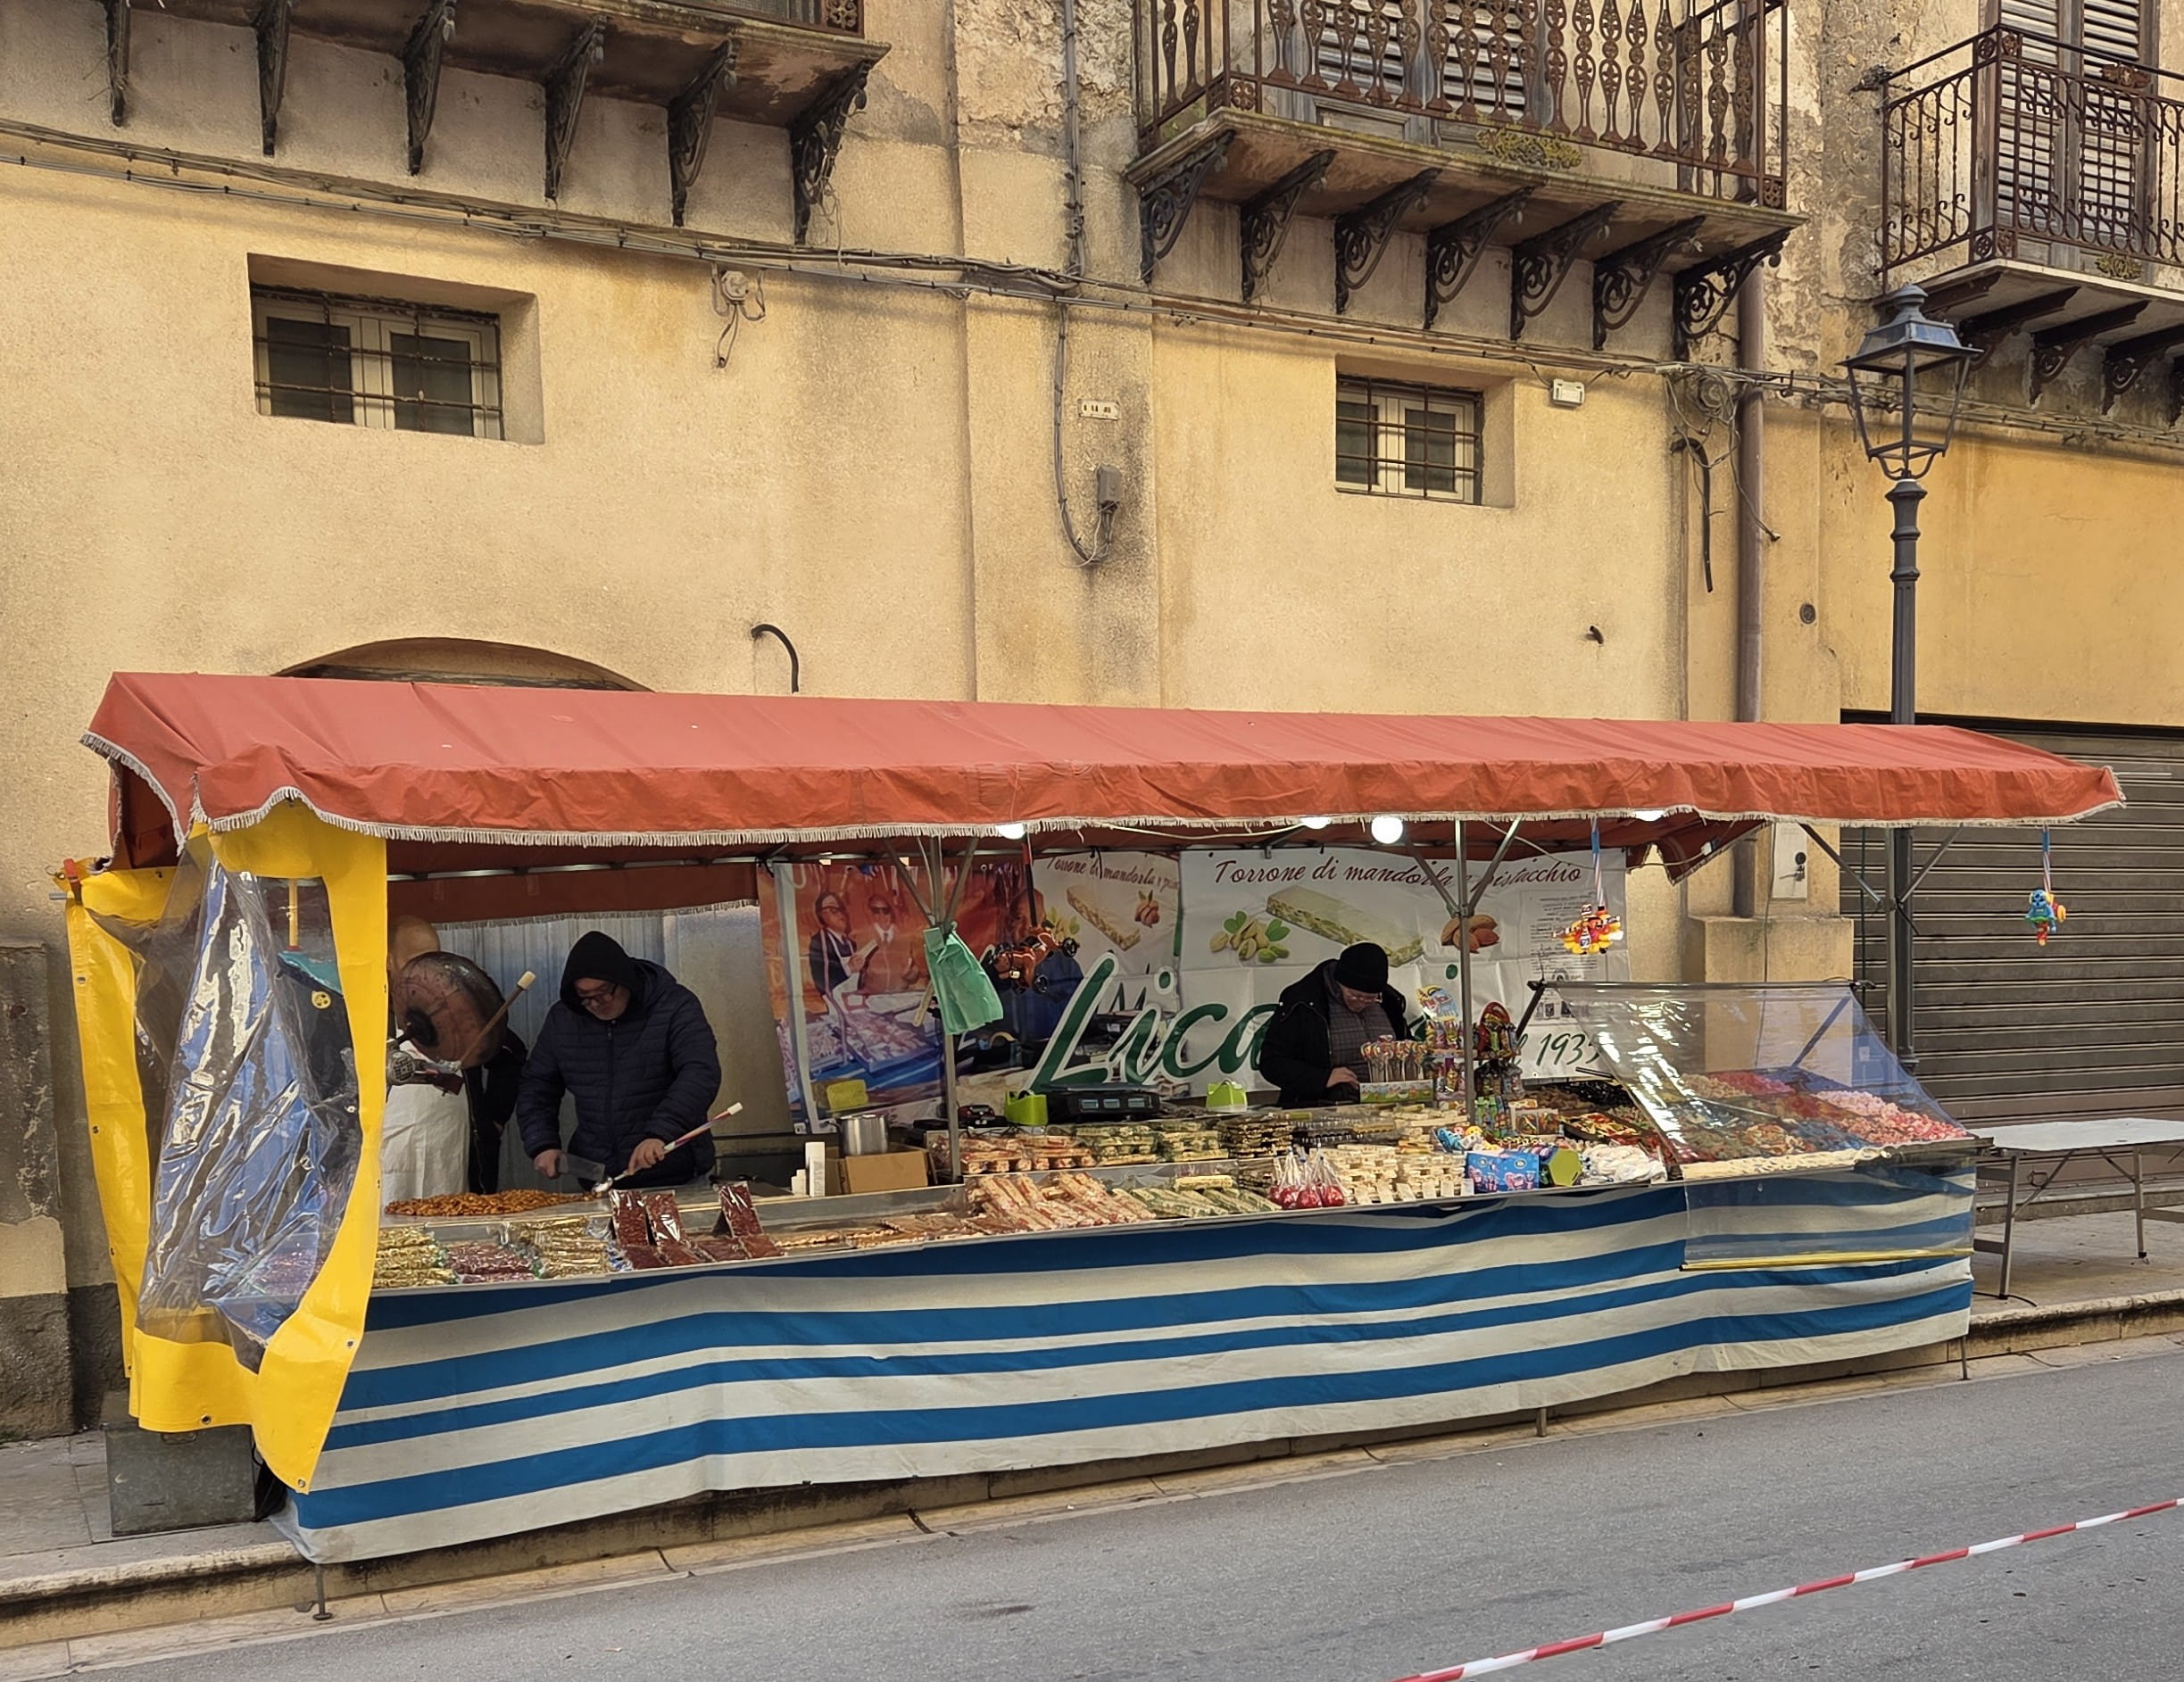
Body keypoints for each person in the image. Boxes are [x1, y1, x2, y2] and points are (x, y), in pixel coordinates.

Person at [518, 932, 721, 1189]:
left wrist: (660, 1133)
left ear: (625, 982)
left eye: (604, 993)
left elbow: (700, 1072)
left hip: (674, 1172)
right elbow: (537, 1085)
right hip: (598, 1177)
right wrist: (542, 1143)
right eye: (585, 996)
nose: (596, 1003)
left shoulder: (674, 1006)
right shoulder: (564, 1018)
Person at [1255, 942, 1415, 1107]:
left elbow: (1408, 1047)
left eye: (1371, 998)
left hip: (1390, 1105)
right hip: (1325, 1108)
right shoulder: (1303, 1001)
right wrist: (1322, 1078)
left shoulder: (1390, 1001)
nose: (1362, 1003)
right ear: (1340, 983)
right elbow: (1272, 1063)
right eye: (1355, 995)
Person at [851, 892, 927, 996]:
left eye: (886, 911)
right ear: (871, 913)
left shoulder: (905, 939)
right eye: (876, 911)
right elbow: (854, 975)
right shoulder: (862, 939)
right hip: (873, 999)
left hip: (900, 996)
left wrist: (909, 973)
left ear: (892, 912)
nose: (882, 915)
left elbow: (914, 976)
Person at [807, 890, 856, 1000]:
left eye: (841, 909)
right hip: (833, 1004)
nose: (840, 914)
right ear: (822, 915)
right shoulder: (819, 943)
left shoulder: (851, 944)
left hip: (855, 1001)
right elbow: (823, 982)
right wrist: (849, 968)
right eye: (834, 910)